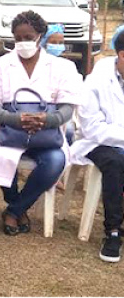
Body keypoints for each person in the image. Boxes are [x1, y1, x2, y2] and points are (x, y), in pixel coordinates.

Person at [0, 11, 81, 236]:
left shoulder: (62, 67)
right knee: (1, 157)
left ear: (40, 36)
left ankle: (14, 210)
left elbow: (67, 108)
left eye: (28, 37)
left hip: (47, 134)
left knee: (55, 161)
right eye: (18, 38)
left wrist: (47, 120)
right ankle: (17, 207)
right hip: (7, 131)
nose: (23, 43)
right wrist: (14, 120)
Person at [71, 26, 124, 262]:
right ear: (121, 55)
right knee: (115, 161)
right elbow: (92, 127)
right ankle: (113, 231)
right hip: (96, 142)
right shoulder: (96, 81)